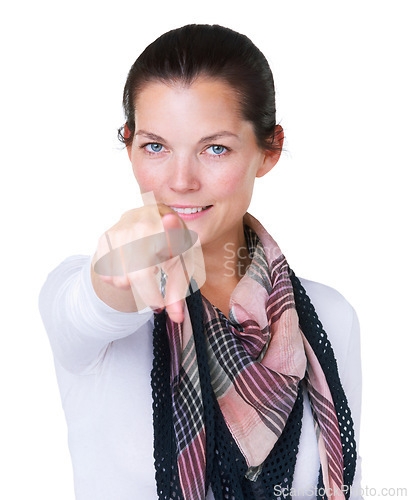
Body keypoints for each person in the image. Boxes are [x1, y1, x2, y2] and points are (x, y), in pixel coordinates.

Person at [39, 24, 363, 500]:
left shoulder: (330, 316)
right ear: (128, 145)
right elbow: (88, 303)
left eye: (215, 148)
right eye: (155, 146)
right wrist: (117, 273)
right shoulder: (94, 300)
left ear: (268, 150)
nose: (181, 180)